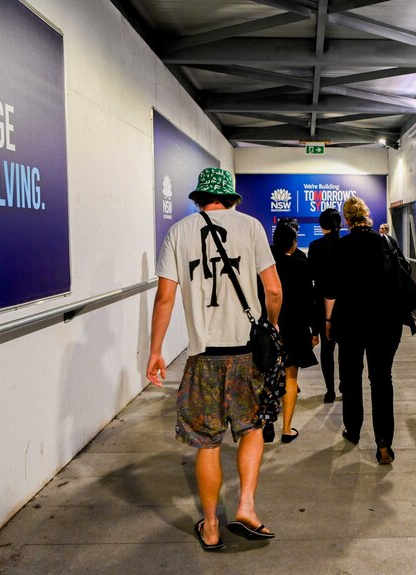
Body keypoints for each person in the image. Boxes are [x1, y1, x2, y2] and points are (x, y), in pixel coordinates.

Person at [146, 167, 281, 551]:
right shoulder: (251, 226)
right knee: (251, 427)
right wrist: (271, 326)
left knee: (207, 443)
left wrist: (156, 350)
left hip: (203, 356)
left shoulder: (178, 233)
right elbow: (273, 289)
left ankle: (209, 527)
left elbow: (165, 298)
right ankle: (247, 507)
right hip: (245, 354)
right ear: (232, 199)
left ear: (198, 199)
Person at [324, 196, 415, 465]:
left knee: (351, 379)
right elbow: (404, 274)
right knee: (382, 379)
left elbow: (331, 289)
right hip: (385, 322)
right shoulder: (387, 242)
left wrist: (329, 322)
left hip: (350, 322)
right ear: (367, 217)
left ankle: (353, 430)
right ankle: (384, 441)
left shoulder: (341, 247)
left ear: (347, 221)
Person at [264, 222, 319, 444]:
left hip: (268, 326)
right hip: (295, 327)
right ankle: (286, 429)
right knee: (290, 376)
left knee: (266, 375)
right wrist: (314, 330)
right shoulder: (301, 265)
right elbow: (310, 301)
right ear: (294, 243)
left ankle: (267, 424)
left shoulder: (265, 266)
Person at [306, 208, 342, 403]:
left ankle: (330, 390)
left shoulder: (315, 246)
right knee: (346, 349)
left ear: (321, 226)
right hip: (344, 304)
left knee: (327, 351)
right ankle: (345, 385)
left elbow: (310, 275)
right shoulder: (346, 245)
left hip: (321, 304)